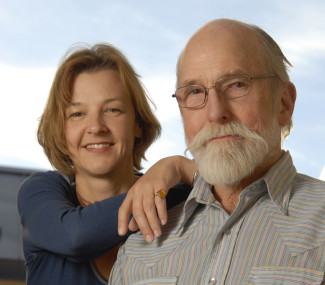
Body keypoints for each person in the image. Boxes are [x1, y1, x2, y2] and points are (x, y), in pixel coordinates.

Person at [110, 19, 325, 284]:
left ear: (284, 103)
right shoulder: (140, 246)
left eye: (236, 84)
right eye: (195, 91)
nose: (215, 113)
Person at [17, 43, 194, 285]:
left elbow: (231, 186)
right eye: (77, 114)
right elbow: (75, 237)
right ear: (61, 130)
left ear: (138, 124)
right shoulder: (40, 191)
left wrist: (178, 167)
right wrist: (164, 191)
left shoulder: (177, 203)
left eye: (112, 109)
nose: (96, 127)